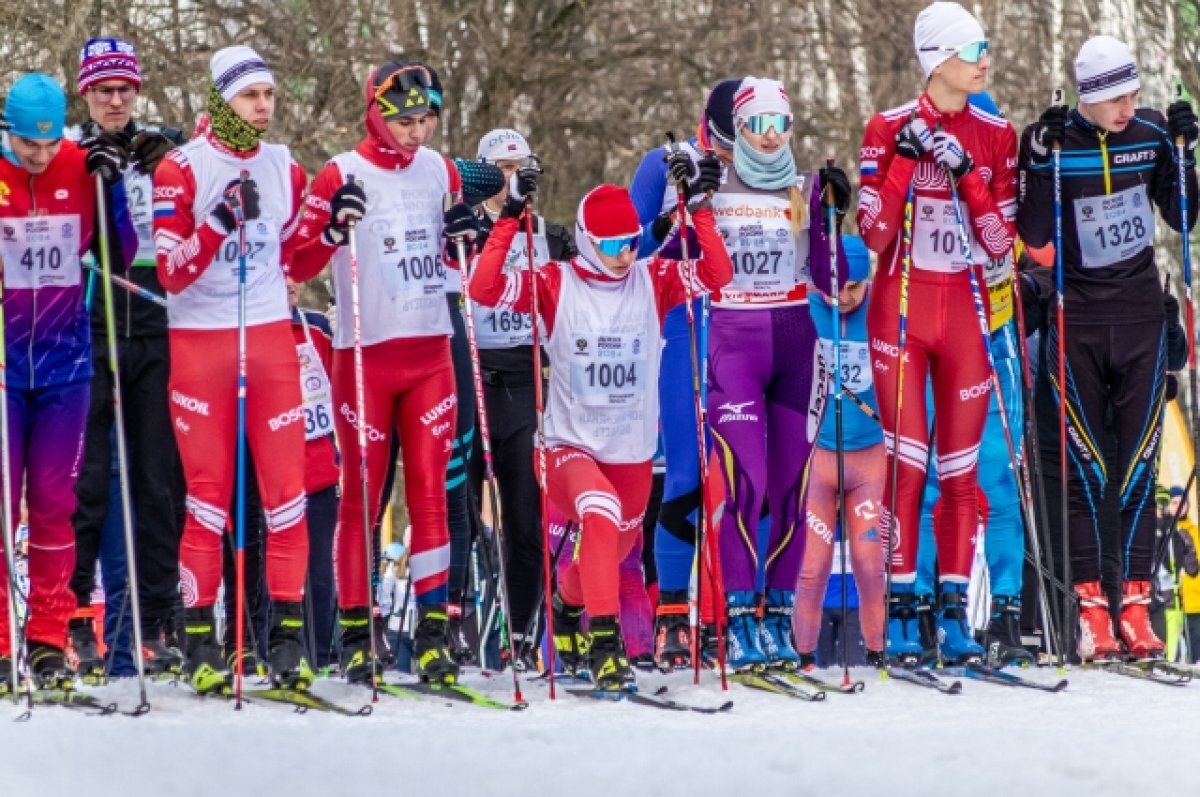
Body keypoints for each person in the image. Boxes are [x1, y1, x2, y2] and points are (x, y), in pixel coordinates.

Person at [468, 169, 731, 690]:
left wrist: (698, 205)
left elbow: (718, 275)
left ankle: (566, 605)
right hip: (567, 448)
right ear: (587, 241)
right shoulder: (554, 281)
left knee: (609, 548)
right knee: (599, 511)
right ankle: (605, 646)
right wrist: (511, 217)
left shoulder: (654, 280)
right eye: (611, 244)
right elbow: (483, 286)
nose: (623, 255)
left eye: (631, 242)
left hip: (630, 452)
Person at [290, 61, 476, 686]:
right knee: (362, 499)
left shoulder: (440, 170)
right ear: (375, 110)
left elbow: (485, 196)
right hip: (364, 357)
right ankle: (355, 633)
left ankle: (430, 633)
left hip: (430, 355)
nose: (416, 132)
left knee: (428, 495)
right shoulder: (341, 171)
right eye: (404, 120)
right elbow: (296, 259)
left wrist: (473, 224)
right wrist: (331, 226)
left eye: (426, 120)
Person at [1017, 34, 1198, 661]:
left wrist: (1184, 154)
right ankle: (1093, 609)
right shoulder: (1057, 138)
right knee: (1087, 472)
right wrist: (1037, 166)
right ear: (1088, 98)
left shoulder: (1148, 133)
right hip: (1078, 323)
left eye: (1134, 94)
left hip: (1141, 317)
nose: (1128, 106)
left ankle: (1136, 606)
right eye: (1115, 96)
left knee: (1140, 469)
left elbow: (1183, 216)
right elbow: (1033, 231)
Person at [858, 1, 1017, 665]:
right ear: (940, 59)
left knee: (958, 475)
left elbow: (1000, 243)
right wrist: (903, 161)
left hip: (967, 316)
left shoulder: (996, 133)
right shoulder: (887, 124)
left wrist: (968, 177)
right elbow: (873, 232)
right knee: (906, 466)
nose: (986, 59)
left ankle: (951, 612)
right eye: (975, 48)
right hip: (901, 315)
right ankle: (900, 610)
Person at [153, 46, 312, 694]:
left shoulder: (284, 168)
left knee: (288, 497)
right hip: (201, 342)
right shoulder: (182, 167)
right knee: (208, 498)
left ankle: (286, 641)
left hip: (270, 337)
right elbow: (169, 269)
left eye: (270, 95)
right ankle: (200, 642)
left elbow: (300, 251)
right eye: (251, 96)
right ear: (222, 100)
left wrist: (333, 230)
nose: (264, 106)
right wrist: (219, 220)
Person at [707, 76, 848, 672]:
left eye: (779, 125)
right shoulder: (714, 184)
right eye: (755, 126)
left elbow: (829, 275)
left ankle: (779, 613)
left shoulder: (801, 187)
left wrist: (833, 216)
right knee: (745, 486)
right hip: (734, 342)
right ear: (736, 130)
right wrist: (685, 206)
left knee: (791, 491)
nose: (768, 138)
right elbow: (673, 260)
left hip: (796, 342)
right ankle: (737, 617)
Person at [0, 72, 135, 692]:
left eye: (50, 146)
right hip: (3, 368)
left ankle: (48, 642)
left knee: (56, 508)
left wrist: (111, 190)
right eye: (29, 145)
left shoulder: (83, 165)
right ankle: (3, 644)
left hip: (65, 368)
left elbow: (121, 256)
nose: (41, 156)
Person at [66, 36, 189, 682]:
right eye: (103, 90)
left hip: (154, 318)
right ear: (85, 92)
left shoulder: (159, 151)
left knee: (157, 475)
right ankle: (78, 611)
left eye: (124, 89)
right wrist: (89, 170)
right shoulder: (71, 150)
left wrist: (163, 155)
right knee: (87, 478)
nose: (115, 100)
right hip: (92, 319)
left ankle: (158, 615)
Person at [629, 78, 738, 669]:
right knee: (687, 475)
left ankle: (734, 611)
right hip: (682, 330)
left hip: (748, 332)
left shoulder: (769, 168)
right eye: (721, 142)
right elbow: (622, 249)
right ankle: (673, 615)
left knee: (741, 478)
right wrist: (677, 213)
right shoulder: (662, 166)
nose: (726, 156)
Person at [468, 127, 574, 670]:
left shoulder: (550, 237)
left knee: (526, 522)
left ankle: (522, 631)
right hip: (469, 381)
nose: (511, 179)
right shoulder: (461, 231)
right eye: (501, 169)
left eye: (520, 169)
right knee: (460, 517)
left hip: (525, 381)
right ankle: (456, 626)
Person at [794, 235, 886, 669]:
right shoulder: (807, 302)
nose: (845, 297)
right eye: (837, 287)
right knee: (811, 569)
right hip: (819, 457)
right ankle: (804, 658)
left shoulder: (881, 305)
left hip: (868, 455)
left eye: (855, 287)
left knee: (869, 566)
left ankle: (878, 653)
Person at [286, 279, 340, 669]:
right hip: (273, 478)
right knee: (280, 572)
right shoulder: (254, 329)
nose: (290, 282)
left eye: (295, 275)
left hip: (320, 473)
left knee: (320, 572)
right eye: (281, 272)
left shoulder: (316, 327)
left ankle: (322, 654)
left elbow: (346, 390)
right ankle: (278, 648)